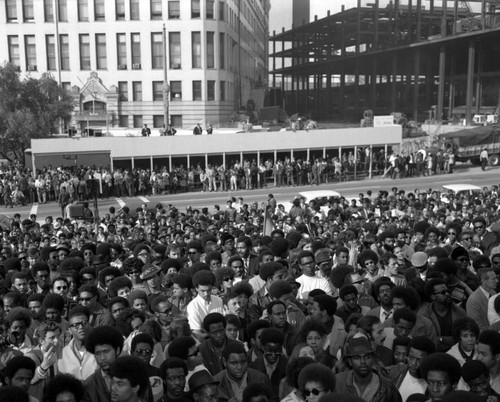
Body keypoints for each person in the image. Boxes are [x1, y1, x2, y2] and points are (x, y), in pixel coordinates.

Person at [335, 337, 402, 402]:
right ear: (350, 361)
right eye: (357, 357)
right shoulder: (339, 382)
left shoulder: (388, 388)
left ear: (372, 358)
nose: (363, 361)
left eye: (367, 357)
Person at [82, 325, 125, 402]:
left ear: (117, 350)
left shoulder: (134, 379)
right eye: (98, 353)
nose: (102, 358)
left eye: (106, 351)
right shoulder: (88, 385)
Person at [388, 336, 436, 402]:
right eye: (411, 357)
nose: (413, 363)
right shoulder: (396, 372)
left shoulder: (434, 386)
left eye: (419, 360)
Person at [58, 306, 97, 380]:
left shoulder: (98, 349)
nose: (81, 327)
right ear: (70, 330)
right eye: (76, 325)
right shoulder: (63, 353)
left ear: (89, 325)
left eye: (84, 323)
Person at [249, 328, 288, 398]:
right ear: (263, 347)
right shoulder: (253, 367)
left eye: (277, 351)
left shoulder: (287, 367)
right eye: (269, 350)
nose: (273, 355)